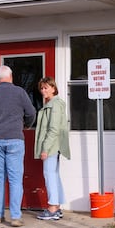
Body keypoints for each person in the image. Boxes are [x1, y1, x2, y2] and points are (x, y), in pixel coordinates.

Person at [0, 65, 36, 227]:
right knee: (16, 180)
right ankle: (15, 217)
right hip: (15, 139)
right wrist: (26, 126)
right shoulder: (20, 92)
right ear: (11, 76)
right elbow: (31, 112)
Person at [34, 77, 71, 220]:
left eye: (46, 88)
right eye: (42, 88)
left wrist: (45, 148)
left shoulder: (54, 105)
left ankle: (52, 207)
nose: (43, 91)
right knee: (54, 175)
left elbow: (54, 129)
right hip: (54, 146)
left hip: (51, 146)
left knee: (49, 175)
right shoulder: (53, 104)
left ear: (53, 88)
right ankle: (57, 207)